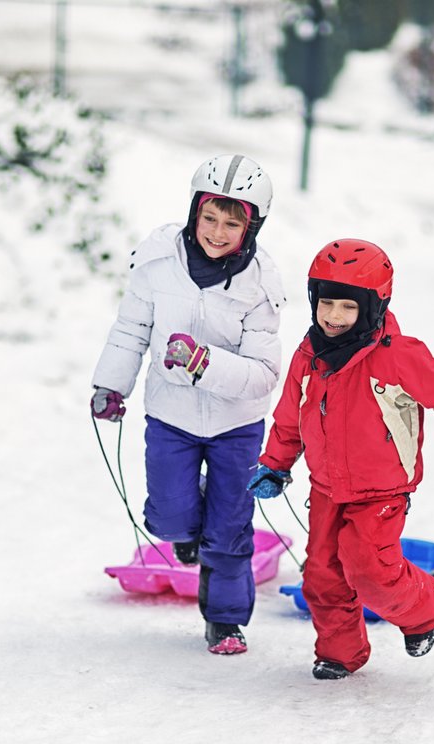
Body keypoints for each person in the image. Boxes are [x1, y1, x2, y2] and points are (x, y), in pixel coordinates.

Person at [247, 239, 434, 680]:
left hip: (382, 491)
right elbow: (288, 420)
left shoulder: (398, 356)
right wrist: (275, 465)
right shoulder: (309, 355)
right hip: (326, 490)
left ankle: (425, 609)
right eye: (326, 304)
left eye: (347, 307)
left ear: (373, 308)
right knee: (321, 575)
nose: (334, 317)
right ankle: (340, 652)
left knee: (369, 569)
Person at [90, 154, 285, 656]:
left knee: (228, 531)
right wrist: (112, 386)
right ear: (194, 211)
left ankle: (225, 621)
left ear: (253, 226)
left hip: (236, 426)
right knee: (172, 519)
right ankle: (190, 515)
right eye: (210, 218)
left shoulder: (260, 286)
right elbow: (131, 329)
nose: (217, 232)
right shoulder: (157, 263)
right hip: (171, 416)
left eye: (233, 223)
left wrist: (203, 363)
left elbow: (263, 376)